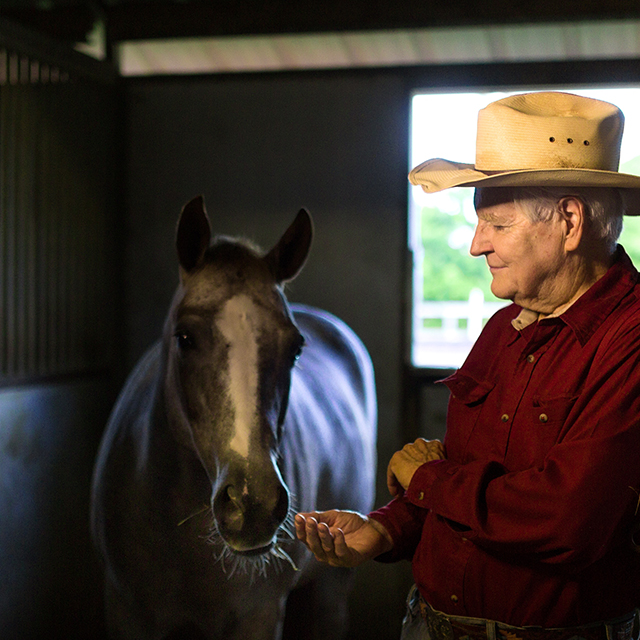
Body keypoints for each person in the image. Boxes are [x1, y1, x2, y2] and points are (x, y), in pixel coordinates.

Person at [295, 91, 640, 640]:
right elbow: (468, 472)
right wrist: (387, 528)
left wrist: (426, 477)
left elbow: (565, 520)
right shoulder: (506, 326)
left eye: (497, 225)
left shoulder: (631, 341)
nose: (477, 245)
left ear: (571, 221)